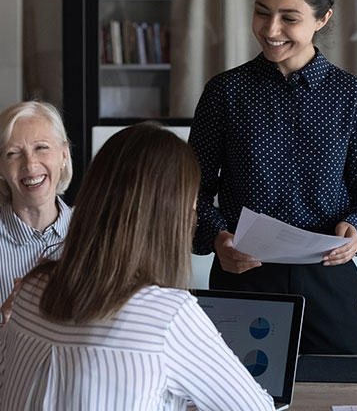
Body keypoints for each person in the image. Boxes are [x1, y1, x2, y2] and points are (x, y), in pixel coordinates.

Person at [189, 0, 357, 355]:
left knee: (338, 393)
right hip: (242, 276)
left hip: (326, 280)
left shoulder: (350, 96)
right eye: (262, 13)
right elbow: (190, 192)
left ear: (322, 20)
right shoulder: (225, 92)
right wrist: (218, 239)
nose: (271, 29)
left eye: (289, 18)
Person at [0, 123, 274, 410]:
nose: (194, 214)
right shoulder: (168, 315)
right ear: (172, 213)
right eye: (192, 202)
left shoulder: (31, 289)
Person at [0, 101, 72, 315]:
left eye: (41, 147)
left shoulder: (98, 233)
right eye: (13, 153)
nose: (30, 164)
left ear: (63, 155)